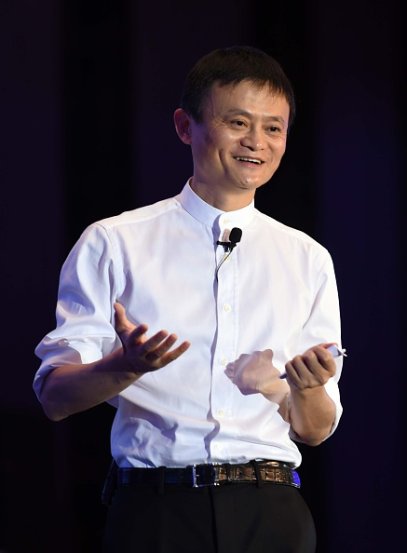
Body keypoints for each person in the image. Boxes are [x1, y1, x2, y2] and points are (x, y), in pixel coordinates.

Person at [33, 45, 344, 553]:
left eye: (273, 127)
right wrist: (125, 365)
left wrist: (308, 389)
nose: (257, 142)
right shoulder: (115, 241)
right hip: (157, 508)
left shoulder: (307, 257)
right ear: (185, 126)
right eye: (238, 123)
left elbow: (315, 429)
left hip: (272, 510)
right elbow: (53, 399)